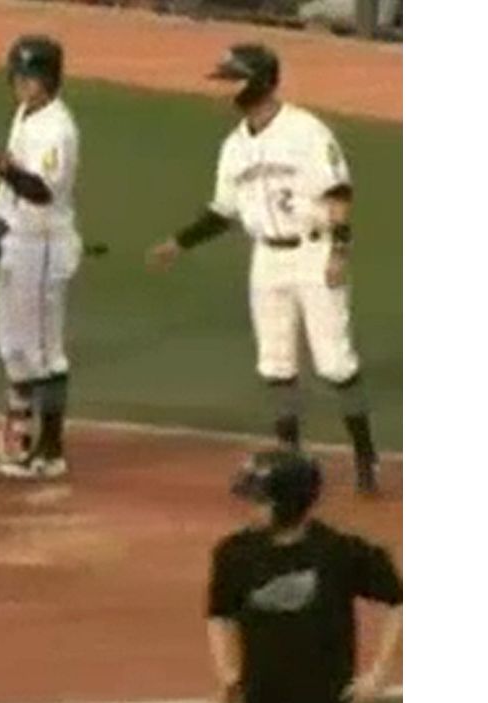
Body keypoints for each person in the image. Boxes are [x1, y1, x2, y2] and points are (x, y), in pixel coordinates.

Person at [147, 44, 382, 495]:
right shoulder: (234, 146)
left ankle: (365, 456)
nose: (226, 89)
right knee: (276, 363)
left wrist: (339, 252)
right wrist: (179, 243)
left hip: (313, 252)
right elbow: (223, 211)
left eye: (233, 79)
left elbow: (337, 192)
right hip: (267, 260)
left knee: (335, 362)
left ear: (259, 81)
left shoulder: (306, 131)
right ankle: (290, 460)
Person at [0, 35, 83, 481]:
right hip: (20, 240)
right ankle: (18, 441)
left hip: (44, 246)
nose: (19, 85)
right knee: (14, 348)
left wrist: (3, 167)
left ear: (48, 80)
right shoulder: (26, 115)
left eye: (28, 77)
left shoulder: (58, 129)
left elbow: (41, 190)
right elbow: (11, 193)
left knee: (44, 354)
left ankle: (49, 453)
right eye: (16, 77)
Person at [208, 450, 402, 703]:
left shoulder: (339, 551)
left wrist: (379, 674)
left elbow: (399, 602)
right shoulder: (233, 553)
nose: (250, 508)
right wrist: (227, 672)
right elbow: (220, 613)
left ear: (288, 503)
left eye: (260, 500)